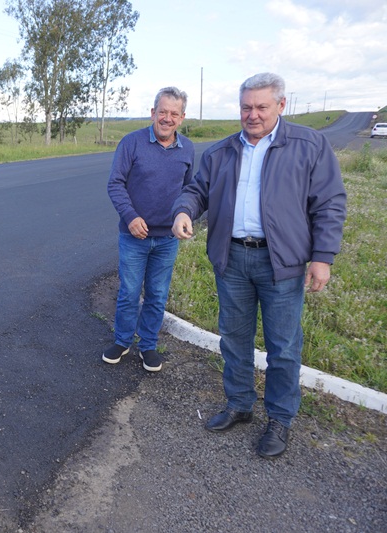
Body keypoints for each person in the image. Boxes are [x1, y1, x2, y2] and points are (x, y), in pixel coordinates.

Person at [171, 73, 346, 459]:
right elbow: (196, 190)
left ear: (281, 106)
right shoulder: (222, 151)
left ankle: (280, 419)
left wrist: (322, 257)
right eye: (246, 107)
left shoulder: (309, 145)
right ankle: (240, 403)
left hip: (281, 262)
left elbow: (330, 202)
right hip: (231, 259)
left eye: (261, 107)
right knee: (234, 338)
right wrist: (184, 211)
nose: (252, 115)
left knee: (283, 347)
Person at [103, 87, 195, 372]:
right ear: (153, 112)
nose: (167, 118)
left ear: (182, 118)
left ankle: (148, 345)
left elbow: (191, 190)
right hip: (134, 236)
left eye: (174, 114)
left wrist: (186, 215)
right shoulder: (132, 143)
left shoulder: (189, 148)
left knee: (157, 293)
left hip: (167, 239)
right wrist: (130, 217)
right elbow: (115, 183)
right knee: (129, 292)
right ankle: (122, 340)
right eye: (162, 112)